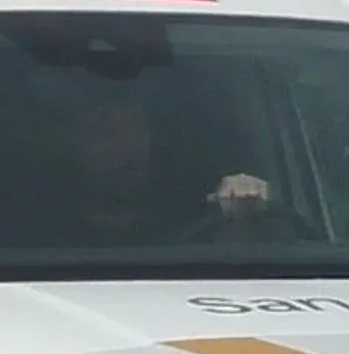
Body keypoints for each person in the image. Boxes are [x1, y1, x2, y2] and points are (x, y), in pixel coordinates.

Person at [61, 89, 300, 246]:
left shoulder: (197, 213)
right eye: (104, 133)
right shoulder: (46, 236)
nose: (128, 147)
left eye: (136, 129)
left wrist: (245, 216)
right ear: (66, 143)